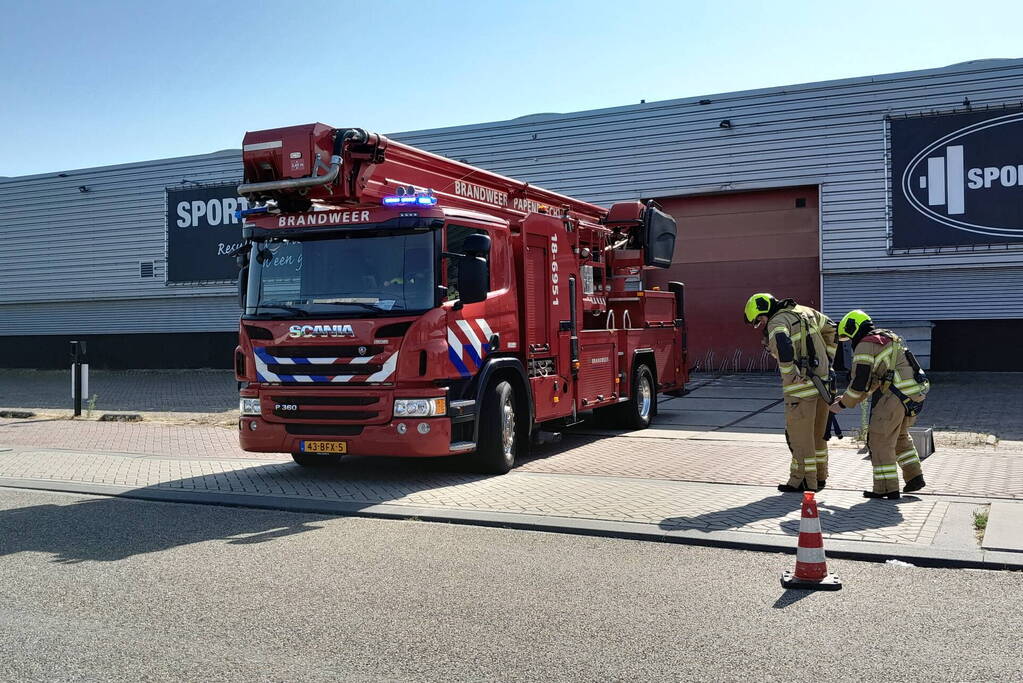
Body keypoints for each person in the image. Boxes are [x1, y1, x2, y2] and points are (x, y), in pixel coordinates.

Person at [743, 293, 838, 492]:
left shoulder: (777, 322)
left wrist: (791, 376)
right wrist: (828, 360)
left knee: (800, 437)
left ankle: (802, 481)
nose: (761, 324)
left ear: (764, 312)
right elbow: (832, 328)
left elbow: (783, 344)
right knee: (818, 434)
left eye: (760, 320)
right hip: (824, 384)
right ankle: (820, 477)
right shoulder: (806, 311)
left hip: (801, 390)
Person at [829, 310, 927, 499]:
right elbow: (873, 381)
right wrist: (847, 399)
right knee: (899, 436)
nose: (850, 343)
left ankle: (886, 488)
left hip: (895, 397)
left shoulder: (866, 344)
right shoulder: (887, 338)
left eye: (849, 338)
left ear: (853, 328)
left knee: (879, 439)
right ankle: (915, 476)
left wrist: (841, 405)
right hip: (913, 395)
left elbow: (860, 382)